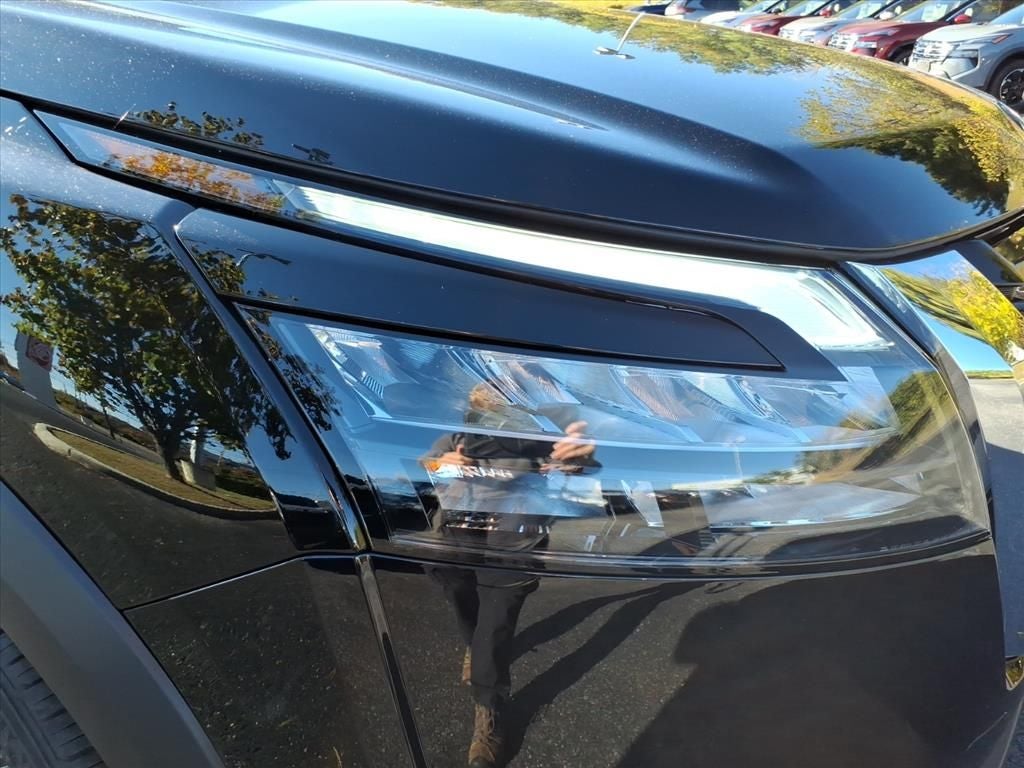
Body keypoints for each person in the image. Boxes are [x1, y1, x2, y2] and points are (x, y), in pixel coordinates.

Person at [420, 383, 597, 767]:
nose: (495, 421)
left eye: (503, 411)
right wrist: (447, 463)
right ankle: (475, 646)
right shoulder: (460, 434)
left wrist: (577, 457)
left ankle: (490, 706)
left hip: (514, 530)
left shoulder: (536, 436)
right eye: (486, 412)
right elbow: (428, 465)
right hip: (457, 529)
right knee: (461, 597)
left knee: (498, 616)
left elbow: (575, 465)